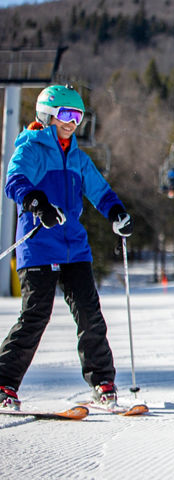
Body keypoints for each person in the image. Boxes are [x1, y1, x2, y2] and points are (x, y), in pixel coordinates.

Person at [0, 85, 134, 411]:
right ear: (47, 115)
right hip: (38, 246)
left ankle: (103, 383)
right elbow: (15, 181)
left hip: (74, 247)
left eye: (78, 117)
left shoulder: (78, 157)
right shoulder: (31, 149)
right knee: (35, 316)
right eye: (66, 115)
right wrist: (37, 203)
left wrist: (116, 212)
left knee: (90, 316)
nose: (72, 123)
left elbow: (100, 191)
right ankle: (4, 383)